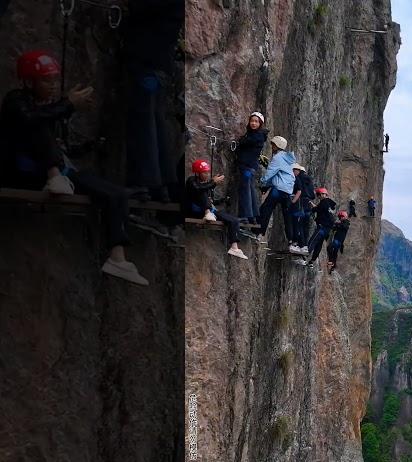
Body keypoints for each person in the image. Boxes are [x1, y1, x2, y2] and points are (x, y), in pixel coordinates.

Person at [0, 50, 149, 285]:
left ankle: (117, 259)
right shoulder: (16, 101)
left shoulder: (47, 108)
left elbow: (61, 149)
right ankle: (54, 176)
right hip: (22, 172)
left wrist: (91, 146)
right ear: (29, 82)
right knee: (39, 124)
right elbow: (31, 120)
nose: (51, 86)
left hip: (59, 175)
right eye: (45, 80)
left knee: (116, 194)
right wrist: (68, 104)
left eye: (53, 80)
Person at [124, 0, 183, 202]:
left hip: (147, 62)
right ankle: (163, 185)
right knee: (154, 120)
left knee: (143, 121)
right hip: (158, 64)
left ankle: (144, 182)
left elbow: (143, 10)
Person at [185, 160, 248, 259]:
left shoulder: (206, 184)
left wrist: (222, 200)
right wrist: (213, 182)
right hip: (195, 210)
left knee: (233, 220)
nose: (206, 174)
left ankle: (234, 247)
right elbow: (198, 189)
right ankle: (207, 213)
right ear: (197, 173)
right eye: (204, 172)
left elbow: (211, 201)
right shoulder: (192, 181)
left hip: (210, 212)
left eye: (207, 172)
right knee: (202, 191)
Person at [258, 135, 295, 245]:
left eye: (273, 145)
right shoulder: (288, 159)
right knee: (287, 215)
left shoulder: (278, 157)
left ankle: (259, 233)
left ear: (277, 146)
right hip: (287, 190)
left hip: (278, 190)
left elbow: (270, 173)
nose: (272, 147)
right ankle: (291, 240)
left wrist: (262, 182)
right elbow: (278, 176)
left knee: (266, 209)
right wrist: (267, 186)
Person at [235, 111, 267, 223]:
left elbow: (245, 142)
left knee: (245, 190)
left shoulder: (256, 136)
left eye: (256, 121)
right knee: (250, 190)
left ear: (260, 124)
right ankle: (253, 215)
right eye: (252, 121)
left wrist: (240, 141)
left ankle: (245, 215)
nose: (253, 123)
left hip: (247, 167)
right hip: (250, 167)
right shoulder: (255, 135)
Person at [300, 187, 336, 269]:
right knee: (318, 245)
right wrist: (314, 206)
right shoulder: (331, 204)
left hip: (322, 227)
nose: (318, 197)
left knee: (313, 240)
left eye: (319, 195)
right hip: (328, 229)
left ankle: (305, 255)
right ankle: (312, 261)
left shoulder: (324, 202)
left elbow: (316, 209)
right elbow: (321, 209)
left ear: (322, 195)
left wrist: (310, 206)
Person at [289, 162, 315, 254]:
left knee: (298, 223)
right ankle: (304, 245)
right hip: (308, 204)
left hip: (301, 203)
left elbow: (297, 190)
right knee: (305, 226)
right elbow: (313, 195)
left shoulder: (299, 178)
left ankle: (299, 244)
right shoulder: (309, 180)